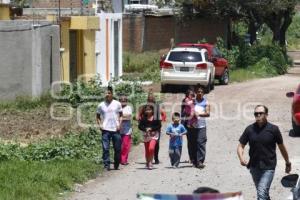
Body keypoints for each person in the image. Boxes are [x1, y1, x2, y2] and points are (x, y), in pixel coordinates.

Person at [237, 105, 292, 200]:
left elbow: (282, 147)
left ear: (266, 114)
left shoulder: (274, 129)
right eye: (256, 114)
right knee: (263, 193)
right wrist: (241, 158)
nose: (258, 115)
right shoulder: (249, 129)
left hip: (269, 167)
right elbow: (240, 146)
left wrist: (287, 162)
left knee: (261, 193)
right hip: (254, 167)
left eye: (260, 113)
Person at [96, 86, 122, 171]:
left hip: (116, 129)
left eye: (109, 93)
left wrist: (120, 124)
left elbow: (121, 115)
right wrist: (100, 125)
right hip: (105, 129)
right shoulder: (101, 105)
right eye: (106, 93)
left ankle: (116, 163)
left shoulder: (117, 103)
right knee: (105, 148)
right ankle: (106, 164)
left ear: (112, 94)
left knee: (117, 148)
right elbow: (98, 116)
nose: (107, 94)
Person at [137, 91, 166, 164]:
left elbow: (163, 113)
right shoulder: (144, 107)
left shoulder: (157, 106)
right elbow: (139, 115)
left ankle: (156, 158)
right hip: (146, 127)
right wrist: (140, 120)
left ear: (154, 99)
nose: (151, 99)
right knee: (147, 142)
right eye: (149, 99)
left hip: (156, 126)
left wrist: (161, 119)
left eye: (152, 98)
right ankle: (149, 159)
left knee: (156, 142)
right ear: (148, 99)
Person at [188, 86, 210, 168]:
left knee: (201, 143)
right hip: (191, 126)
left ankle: (200, 161)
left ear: (203, 93)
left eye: (201, 92)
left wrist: (199, 114)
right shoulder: (192, 101)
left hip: (201, 126)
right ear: (195, 93)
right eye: (198, 91)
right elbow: (186, 110)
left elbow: (208, 113)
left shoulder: (206, 103)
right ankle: (194, 160)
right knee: (192, 144)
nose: (200, 93)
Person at [138, 105, 162, 170]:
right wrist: (146, 129)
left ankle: (150, 162)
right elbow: (140, 126)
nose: (148, 111)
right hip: (146, 136)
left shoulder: (156, 118)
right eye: (147, 110)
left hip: (154, 136)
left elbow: (159, 126)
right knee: (147, 151)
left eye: (149, 110)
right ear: (145, 111)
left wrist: (151, 129)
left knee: (151, 148)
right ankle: (147, 162)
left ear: (152, 110)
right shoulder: (143, 118)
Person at [181, 88, 197, 163]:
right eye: (191, 94)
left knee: (195, 140)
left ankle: (195, 156)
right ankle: (191, 158)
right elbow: (188, 104)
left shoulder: (194, 100)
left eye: (193, 94)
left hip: (195, 121)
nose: (192, 95)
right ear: (187, 95)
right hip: (187, 122)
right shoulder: (186, 100)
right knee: (190, 141)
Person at [119, 95, 133, 165]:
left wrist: (120, 117)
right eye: (121, 101)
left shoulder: (128, 108)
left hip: (127, 130)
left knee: (125, 145)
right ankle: (119, 158)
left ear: (126, 101)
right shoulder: (117, 108)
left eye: (124, 101)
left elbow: (129, 117)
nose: (123, 102)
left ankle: (123, 160)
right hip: (118, 129)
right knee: (118, 145)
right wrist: (123, 116)